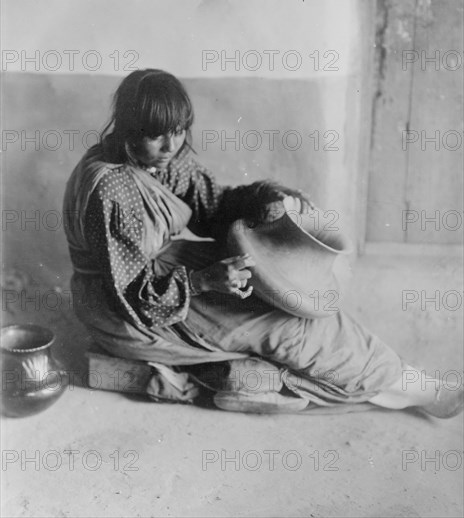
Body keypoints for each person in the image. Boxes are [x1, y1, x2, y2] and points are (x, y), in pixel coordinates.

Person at [63, 69, 462, 417]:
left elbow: (212, 206)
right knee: (284, 326)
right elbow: (130, 295)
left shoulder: (160, 157)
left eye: (179, 131)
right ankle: (410, 388)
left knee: (290, 301)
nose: (171, 146)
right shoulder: (112, 187)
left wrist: (264, 199)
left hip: (164, 274)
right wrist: (204, 282)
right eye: (155, 135)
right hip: (125, 309)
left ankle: (388, 375)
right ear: (129, 129)